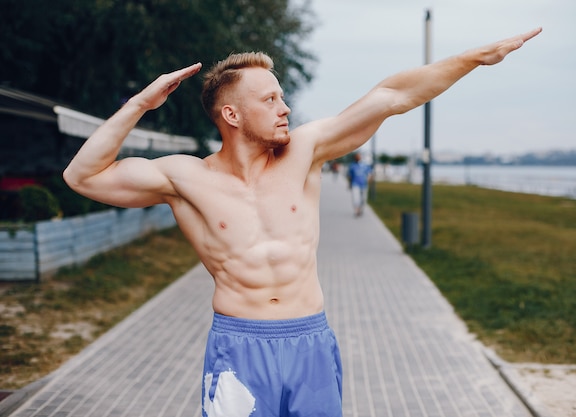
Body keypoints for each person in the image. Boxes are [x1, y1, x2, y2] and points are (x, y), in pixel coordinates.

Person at [63, 27, 541, 417]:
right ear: (231, 114)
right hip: (239, 349)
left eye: (282, 97)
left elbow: (391, 95)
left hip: (310, 342)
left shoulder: (305, 153)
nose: (285, 107)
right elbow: (83, 176)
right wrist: (139, 105)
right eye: (269, 99)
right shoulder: (185, 177)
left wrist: (471, 58)